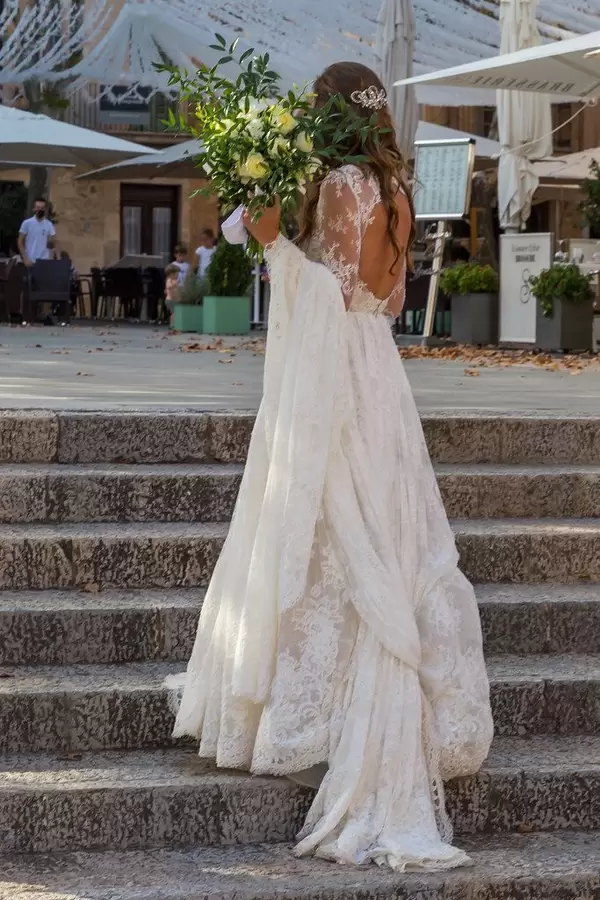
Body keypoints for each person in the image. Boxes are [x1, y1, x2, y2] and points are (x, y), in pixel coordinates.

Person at [167, 62, 493, 871]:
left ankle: (320, 711)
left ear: (332, 116)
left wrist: (277, 240)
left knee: (337, 524)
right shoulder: (399, 189)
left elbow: (335, 289)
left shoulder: (347, 184)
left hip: (342, 376)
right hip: (379, 371)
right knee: (375, 527)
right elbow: (387, 301)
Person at [17, 198, 56, 267]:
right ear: (34, 209)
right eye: (38, 207)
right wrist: (25, 259)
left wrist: (51, 258)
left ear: (45, 210)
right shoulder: (27, 223)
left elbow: (52, 243)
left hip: (44, 262)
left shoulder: (49, 225)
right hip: (30, 261)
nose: (40, 210)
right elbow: (20, 241)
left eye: (42, 208)